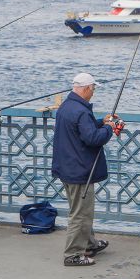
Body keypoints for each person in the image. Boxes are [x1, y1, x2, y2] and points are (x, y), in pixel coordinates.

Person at [50, 72, 118, 266]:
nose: (93, 92)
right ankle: (73, 254)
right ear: (86, 88)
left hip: (67, 167)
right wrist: (109, 128)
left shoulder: (67, 107)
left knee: (80, 209)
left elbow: (82, 129)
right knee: (81, 213)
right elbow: (93, 139)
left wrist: (100, 123)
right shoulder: (80, 110)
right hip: (79, 170)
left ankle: (89, 244)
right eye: (93, 89)